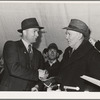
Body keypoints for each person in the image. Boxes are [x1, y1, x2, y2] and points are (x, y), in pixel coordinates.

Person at [0, 18, 48, 91]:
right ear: (25, 32)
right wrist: (37, 74)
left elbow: (40, 76)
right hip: (10, 92)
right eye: (34, 31)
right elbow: (14, 69)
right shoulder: (11, 45)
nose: (37, 35)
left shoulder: (38, 54)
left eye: (38, 32)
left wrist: (37, 86)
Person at [57, 19, 100, 91]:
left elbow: (97, 82)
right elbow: (61, 74)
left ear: (80, 35)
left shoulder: (92, 53)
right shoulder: (68, 51)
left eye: (69, 34)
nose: (66, 37)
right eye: (66, 33)